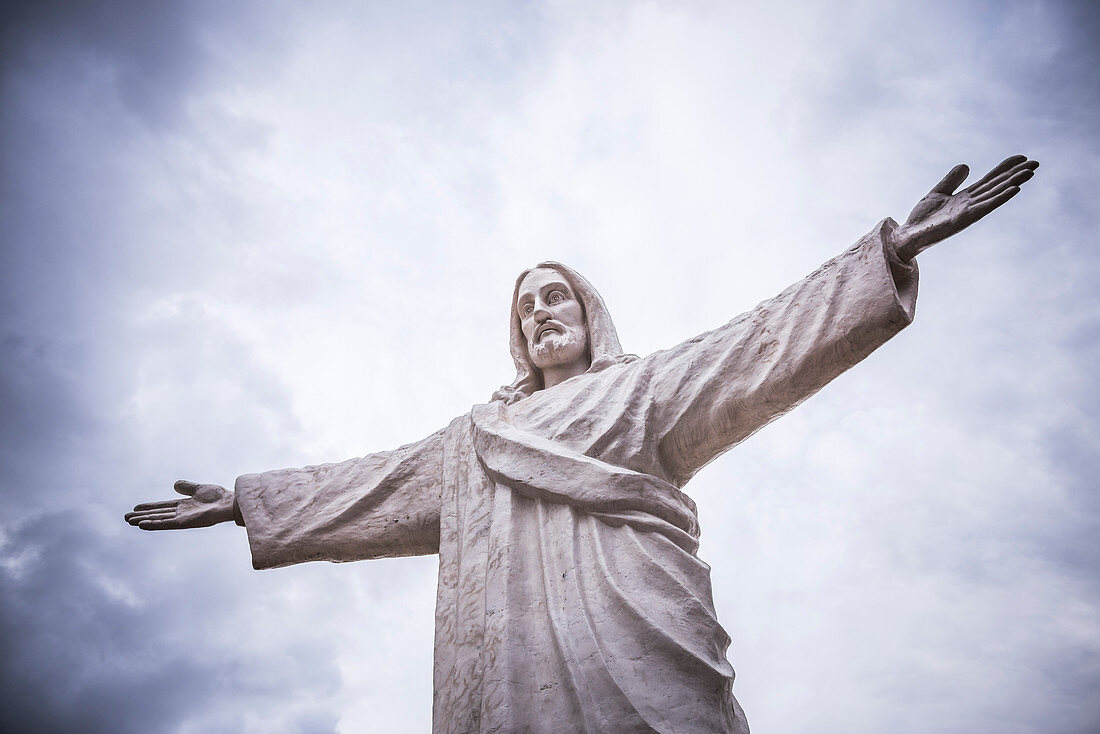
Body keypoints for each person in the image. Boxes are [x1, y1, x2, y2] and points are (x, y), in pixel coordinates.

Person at [126, 156, 1038, 733]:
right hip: (518, 665)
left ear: (589, 310)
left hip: (638, 629)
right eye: (525, 308)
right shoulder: (475, 441)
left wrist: (882, 259)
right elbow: (373, 489)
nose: (539, 312)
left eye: (554, 296)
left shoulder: (643, 390)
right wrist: (251, 498)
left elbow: (758, 348)